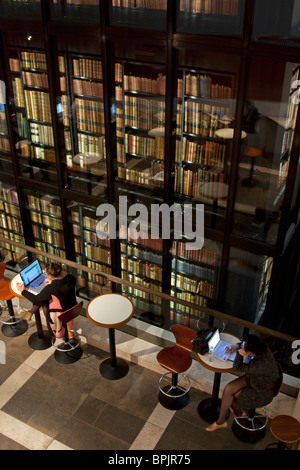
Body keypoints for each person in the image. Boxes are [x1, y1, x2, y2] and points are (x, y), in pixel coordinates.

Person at [205, 334, 280, 432]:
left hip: (262, 390)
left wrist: (239, 354)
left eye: (244, 347)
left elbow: (237, 367)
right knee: (228, 389)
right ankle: (221, 422)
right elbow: (248, 344)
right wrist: (235, 346)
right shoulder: (261, 347)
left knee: (232, 395)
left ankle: (239, 411)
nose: (242, 346)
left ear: (249, 351)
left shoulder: (259, 365)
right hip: (255, 378)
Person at [16, 262, 77, 328]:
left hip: (62, 313)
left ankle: (51, 326)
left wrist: (22, 291)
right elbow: (61, 285)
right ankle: (30, 312)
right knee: (45, 297)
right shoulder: (71, 278)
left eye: (46, 273)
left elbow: (35, 299)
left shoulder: (51, 288)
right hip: (74, 307)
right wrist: (52, 282)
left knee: (45, 302)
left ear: (50, 276)